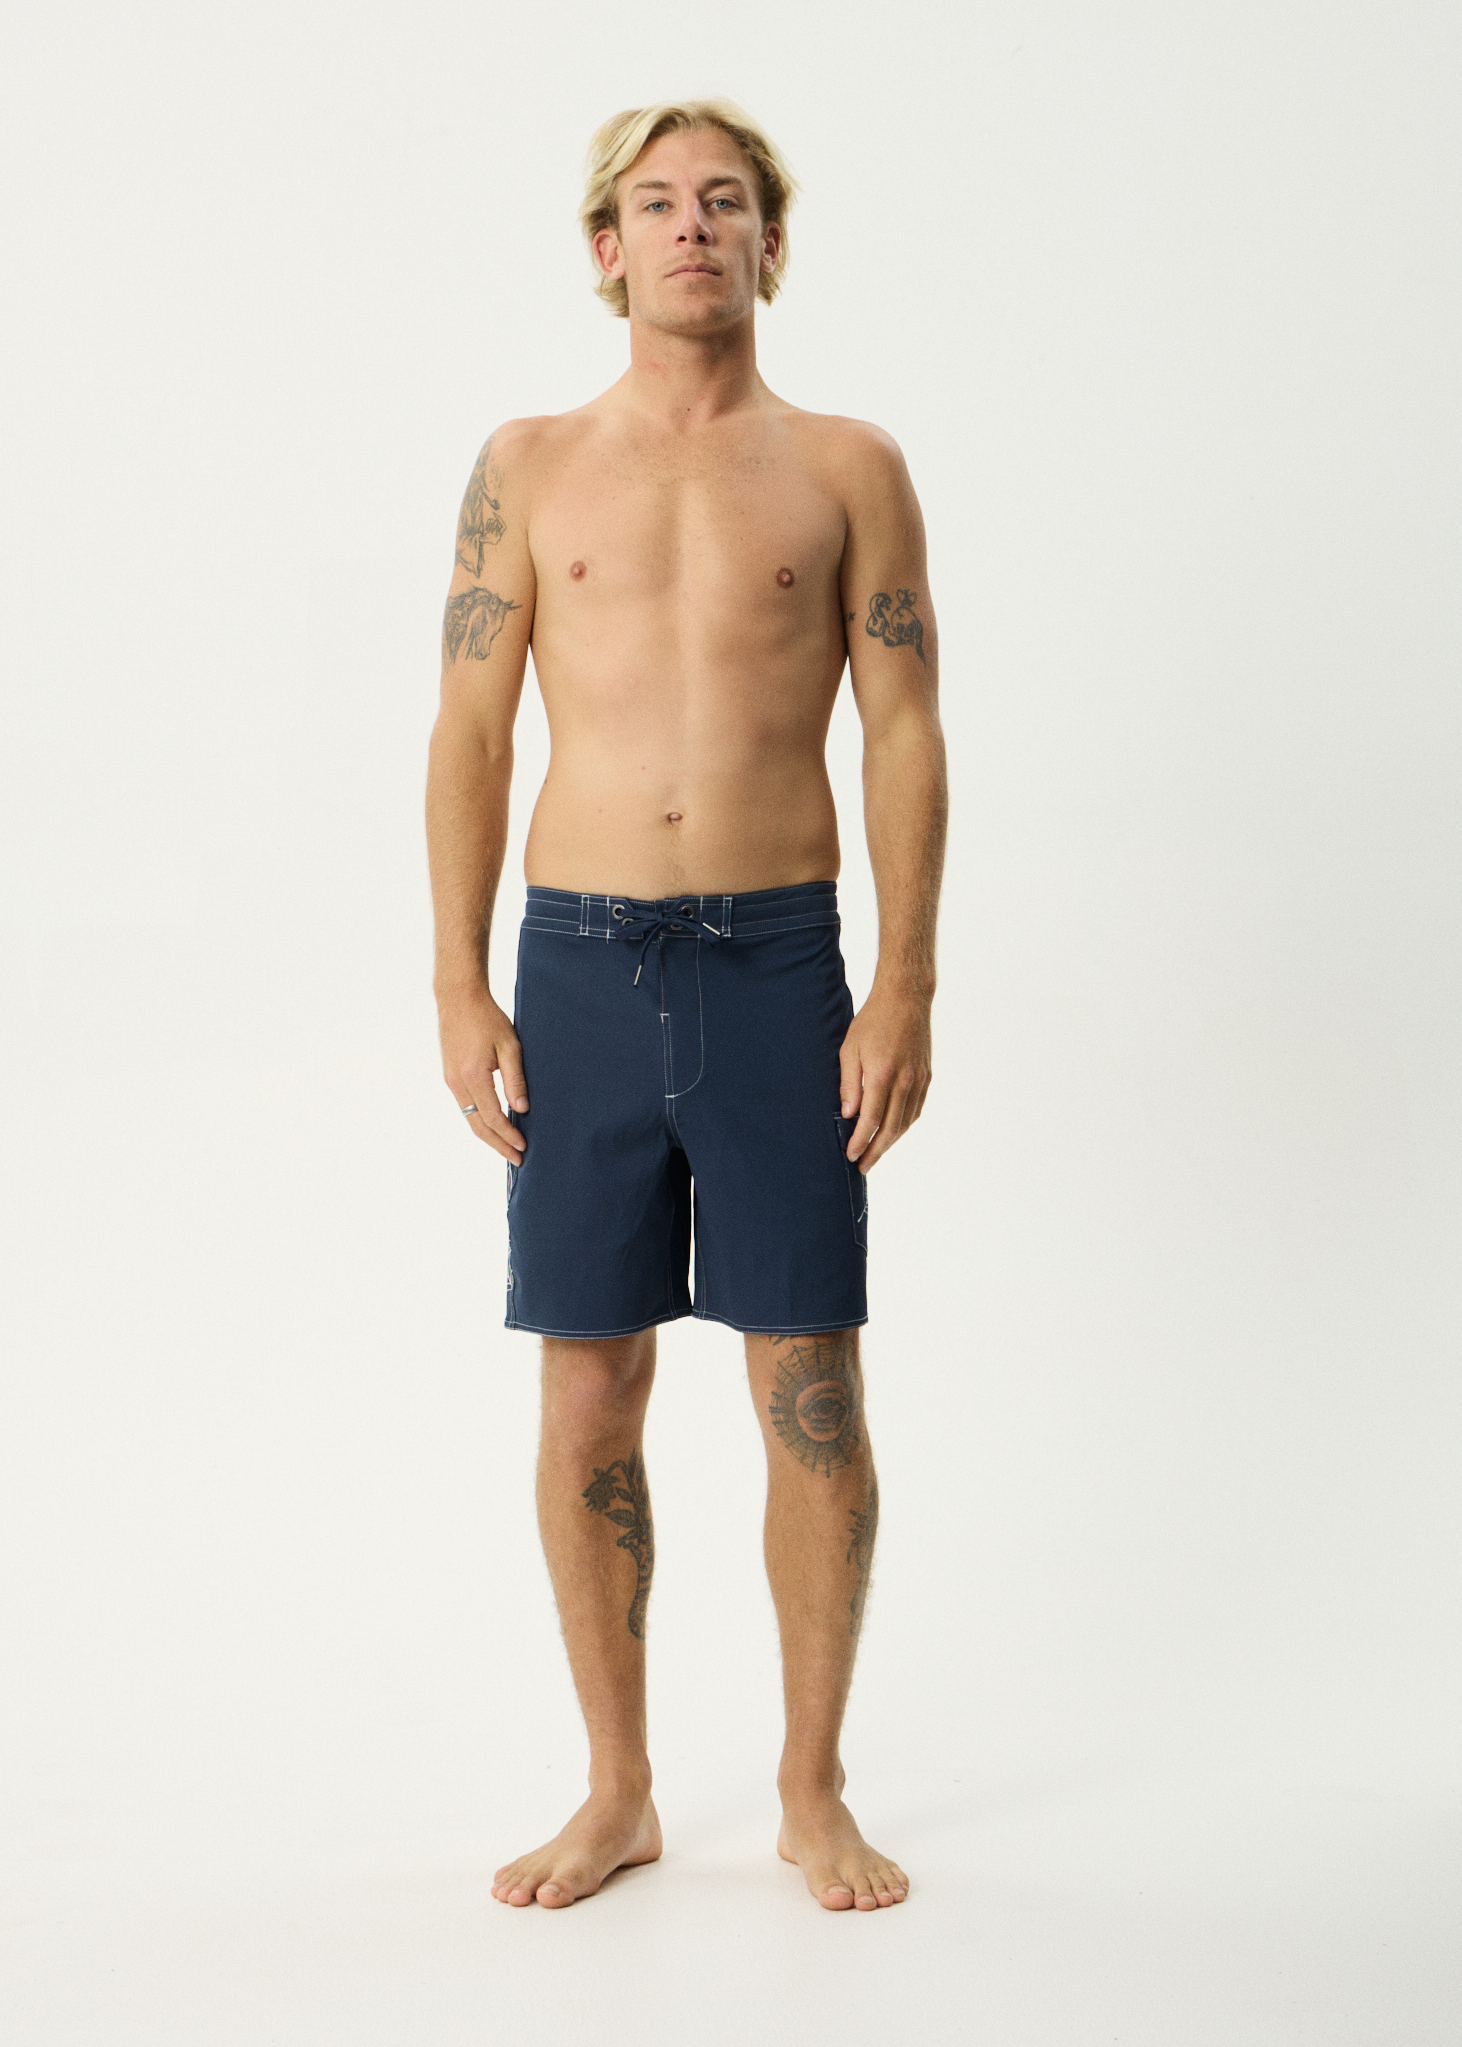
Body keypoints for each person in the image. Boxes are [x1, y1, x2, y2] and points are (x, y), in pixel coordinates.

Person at [425, 97, 946, 1914]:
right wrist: (456, 979)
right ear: (608, 249)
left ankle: (809, 1788)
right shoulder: (527, 463)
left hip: (777, 963)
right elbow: (469, 730)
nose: (694, 227)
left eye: (726, 201)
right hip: (575, 961)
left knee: (808, 1377)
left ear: (770, 243)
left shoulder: (847, 465)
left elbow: (903, 730)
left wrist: (903, 978)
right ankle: (619, 1789)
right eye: (657, 204)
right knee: (589, 1385)